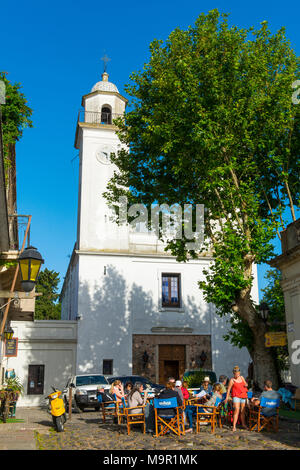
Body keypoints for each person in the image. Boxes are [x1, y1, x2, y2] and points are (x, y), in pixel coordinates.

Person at [225, 366, 248, 431]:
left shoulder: (242, 377)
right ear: (233, 373)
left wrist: (246, 384)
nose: (237, 374)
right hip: (236, 396)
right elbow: (229, 389)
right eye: (235, 373)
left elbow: (246, 384)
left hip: (243, 395)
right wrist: (227, 397)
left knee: (243, 411)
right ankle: (234, 426)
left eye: (237, 373)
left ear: (239, 373)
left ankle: (243, 424)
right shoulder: (232, 380)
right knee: (237, 410)